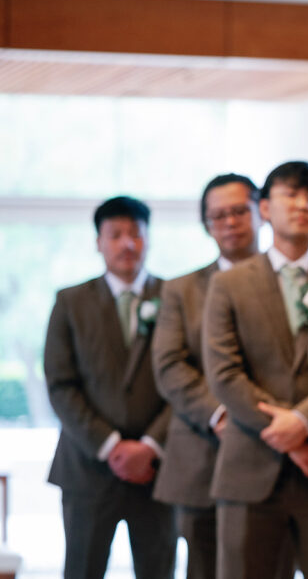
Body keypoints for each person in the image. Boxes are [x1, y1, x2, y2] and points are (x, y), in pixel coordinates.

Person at [203, 162, 308, 579]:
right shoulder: (229, 284)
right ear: (265, 208)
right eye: (291, 194)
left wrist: (306, 420)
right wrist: (289, 435)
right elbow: (224, 373)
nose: (302, 205)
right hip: (250, 466)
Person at [44, 195, 176, 579]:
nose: (127, 243)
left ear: (149, 239)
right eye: (115, 234)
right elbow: (60, 384)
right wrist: (112, 446)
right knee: (83, 569)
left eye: (136, 233)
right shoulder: (70, 302)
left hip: (158, 468)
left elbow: (187, 380)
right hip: (87, 468)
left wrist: (149, 445)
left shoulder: (176, 298)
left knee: (159, 570)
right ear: (98, 242)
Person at [151, 173, 269, 579]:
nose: (230, 222)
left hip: (278, 453)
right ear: (206, 225)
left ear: (261, 211)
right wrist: (222, 415)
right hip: (204, 453)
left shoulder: (288, 278)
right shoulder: (180, 290)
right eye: (218, 216)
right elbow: (170, 366)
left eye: (239, 211)